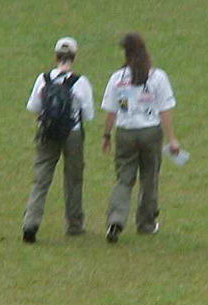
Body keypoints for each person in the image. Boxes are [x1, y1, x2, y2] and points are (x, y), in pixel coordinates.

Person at [100, 32, 180, 243]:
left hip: (125, 133)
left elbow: (111, 111)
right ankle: (145, 223)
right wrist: (171, 138)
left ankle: (115, 220)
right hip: (151, 132)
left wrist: (106, 135)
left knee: (124, 179)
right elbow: (164, 110)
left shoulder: (117, 79)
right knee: (149, 178)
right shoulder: (157, 77)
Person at [23, 37, 94, 244]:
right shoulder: (80, 82)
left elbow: (34, 108)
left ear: (56, 57)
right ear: (74, 57)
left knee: (41, 179)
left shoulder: (43, 79)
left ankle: (30, 223)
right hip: (72, 132)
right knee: (73, 178)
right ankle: (74, 224)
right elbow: (88, 114)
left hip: (47, 132)